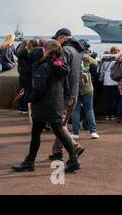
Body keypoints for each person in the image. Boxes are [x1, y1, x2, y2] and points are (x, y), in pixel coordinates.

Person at [11, 40, 80, 173]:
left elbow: (39, 88)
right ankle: (74, 159)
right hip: (57, 103)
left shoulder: (43, 66)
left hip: (43, 105)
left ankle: (30, 162)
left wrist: (31, 99)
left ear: (45, 50)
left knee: (36, 133)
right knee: (59, 130)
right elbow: (66, 86)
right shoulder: (62, 65)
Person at [49, 28, 85, 161]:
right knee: (62, 124)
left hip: (64, 93)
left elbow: (62, 71)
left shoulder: (64, 51)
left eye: (57, 39)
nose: (56, 42)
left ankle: (75, 146)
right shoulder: (78, 50)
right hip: (74, 93)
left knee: (58, 125)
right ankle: (57, 152)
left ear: (63, 37)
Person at [71, 48, 99, 139]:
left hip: (75, 86)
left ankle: (75, 133)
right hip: (87, 86)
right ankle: (93, 132)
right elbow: (96, 63)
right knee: (89, 109)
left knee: (75, 110)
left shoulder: (72, 57)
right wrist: (89, 55)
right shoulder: (86, 57)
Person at [15, 39, 37, 114]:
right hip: (28, 74)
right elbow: (31, 62)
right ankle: (25, 107)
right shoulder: (27, 52)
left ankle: (20, 107)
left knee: (21, 91)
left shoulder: (19, 52)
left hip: (21, 73)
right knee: (28, 91)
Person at [98, 47, 120, 120]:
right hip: (114, 82)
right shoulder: (115, 61)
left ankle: (107, 115)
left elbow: (101, 71)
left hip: (106, 82)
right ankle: (113, 114)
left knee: (107, 99)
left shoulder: (104, 61)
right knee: (113, 99)